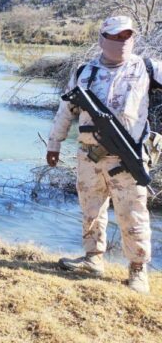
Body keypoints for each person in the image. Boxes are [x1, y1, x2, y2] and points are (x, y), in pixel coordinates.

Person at [47, 15, 158, 294]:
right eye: (115, 36)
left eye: (126, 36)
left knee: (133, 216)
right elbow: (66, 111)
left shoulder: (147, 67)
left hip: (127, 158)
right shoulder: (84, 71)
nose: (122, 42)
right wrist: (54, 143)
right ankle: (93, 259)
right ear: (102, 38)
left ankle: (137, 269)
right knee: (91, 211)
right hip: (89, 157)